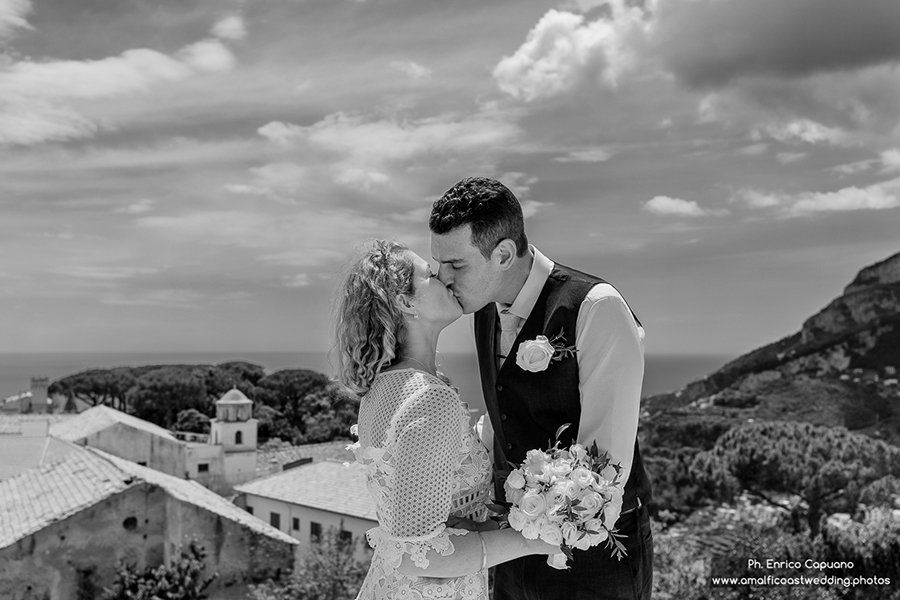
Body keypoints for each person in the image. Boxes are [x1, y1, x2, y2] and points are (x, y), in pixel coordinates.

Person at [429, 177, 654, 600]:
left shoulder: (595, 307)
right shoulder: (485, 309)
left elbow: (606, 464)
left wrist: (545, 529)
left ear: (503, 254)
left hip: (596, 556)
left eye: (456, 265)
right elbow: (504, 415)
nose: (443, 279)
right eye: (438, 264)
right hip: (513, 547)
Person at [334, 239, 559, 600]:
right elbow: (416, 555)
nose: (447, 278)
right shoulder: (428, 398)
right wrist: (535, 539)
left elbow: (425, 511)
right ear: (405, 302)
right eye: (431, 274)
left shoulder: (385, 388)